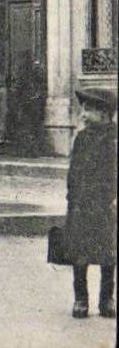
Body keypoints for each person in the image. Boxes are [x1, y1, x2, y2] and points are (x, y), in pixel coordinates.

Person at [64, 82, 116, 319]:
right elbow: (74, 172)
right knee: (79, 253)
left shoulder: (115, 139)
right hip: (82, 204)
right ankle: (81, 299)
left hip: (107, 204)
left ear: (103, 113)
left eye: (88, 109)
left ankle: (106, 300)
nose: (83, 114)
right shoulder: (82, 138)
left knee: (108, 253)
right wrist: (71, 199)